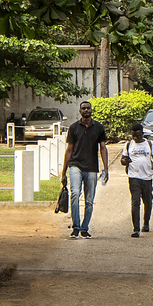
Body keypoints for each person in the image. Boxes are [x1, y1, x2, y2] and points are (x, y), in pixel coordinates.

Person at [64, 101, 109, 239]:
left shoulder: (98, 127)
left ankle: (85, 228)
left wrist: (106, 168)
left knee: (89, 200)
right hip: (75, 165)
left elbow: (103, 148)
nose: (86, 110)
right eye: (83, 108)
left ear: (91, 110)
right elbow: (69, 149)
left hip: (91, 168)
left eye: (88, 108)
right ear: (80, 111)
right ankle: (76, 227)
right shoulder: (73, 128)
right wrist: (64, 171)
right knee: (75, 194)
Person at [123, 121, 153, 237]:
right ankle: (136, 228)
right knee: (135, 202)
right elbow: (123, 159)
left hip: (147, 177)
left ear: (142, 134)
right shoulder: (128, 145)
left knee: (148, 201)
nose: (135, 137)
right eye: (133, 135)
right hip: (134, 177)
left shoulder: (150, 144)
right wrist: (125, 161)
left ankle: (146, 223)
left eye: (138, 135)